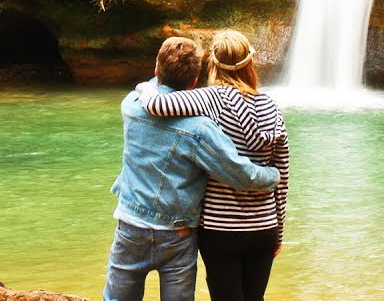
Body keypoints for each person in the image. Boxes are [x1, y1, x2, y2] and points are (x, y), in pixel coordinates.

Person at [104, 36, 280, 301]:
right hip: (179, 233)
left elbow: (155, 93)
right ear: (195, 81)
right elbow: (240, 174)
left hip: (130, 226)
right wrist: (272, 175)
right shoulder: (200, 128)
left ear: (155, 68)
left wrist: (150, 80)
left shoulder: (131, 104)